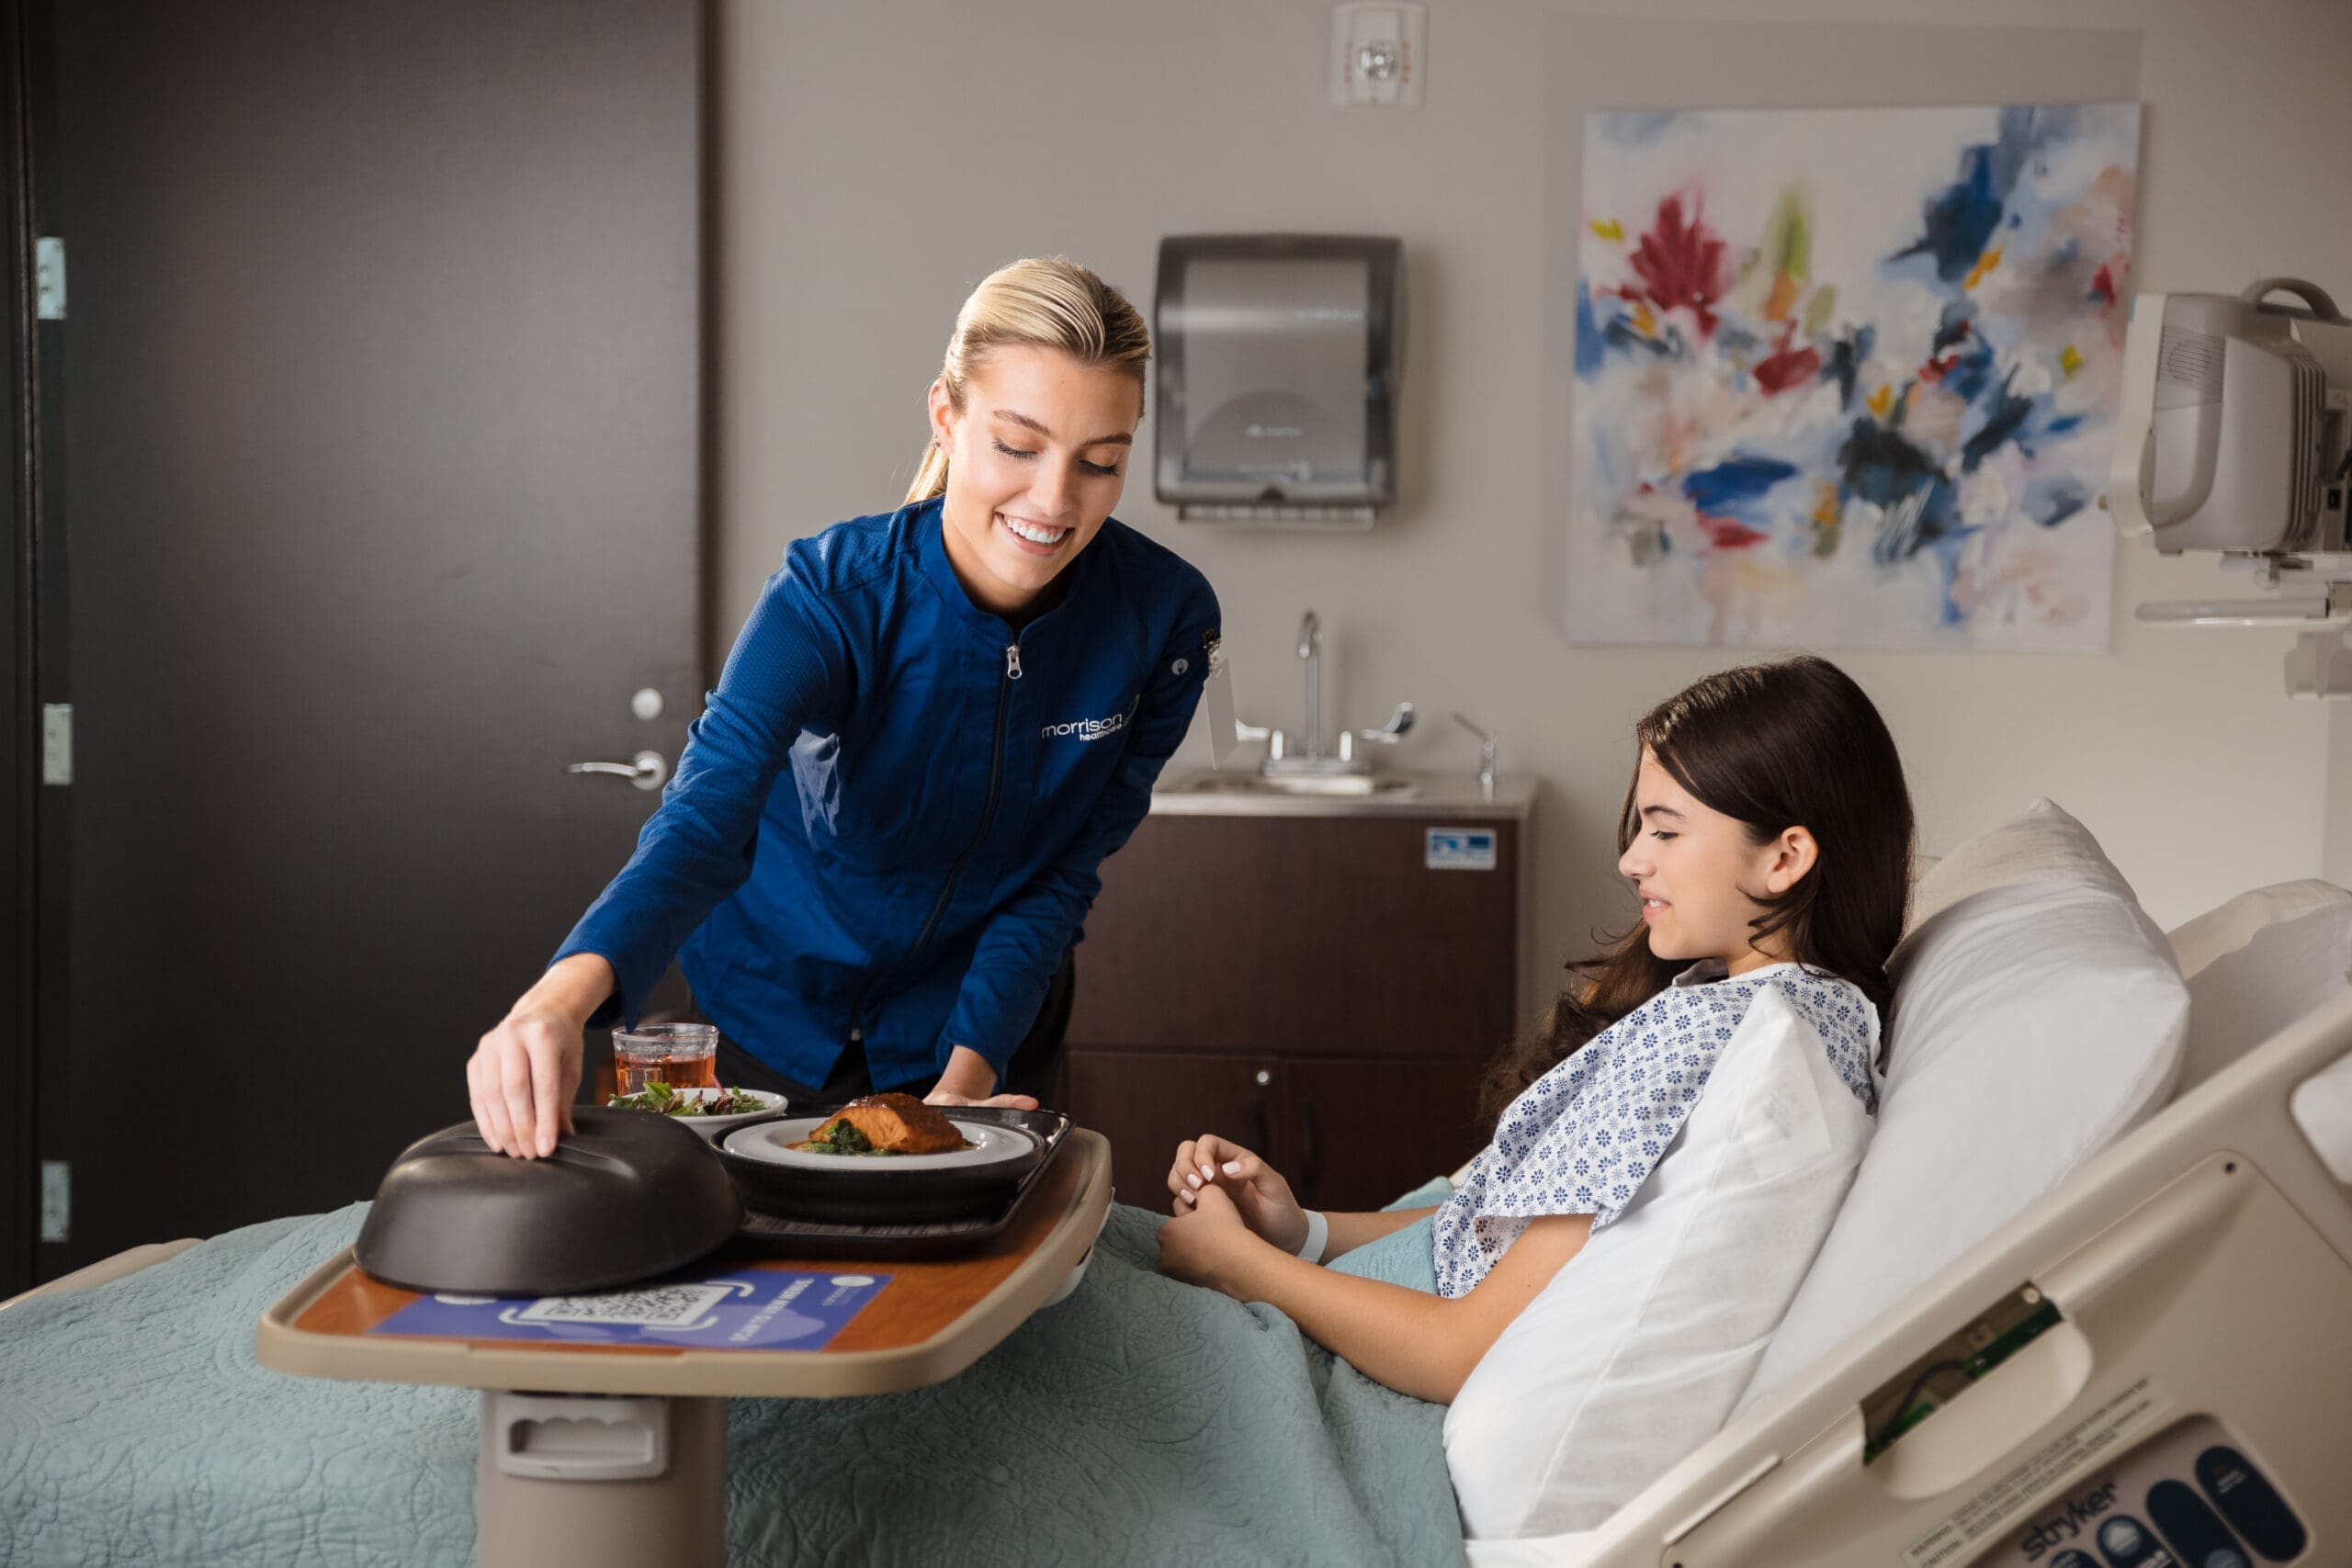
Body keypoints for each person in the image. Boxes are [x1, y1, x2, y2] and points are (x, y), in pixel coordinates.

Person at [468, 256, 1222, 1157]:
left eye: (1100, 462)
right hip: (775, 1008)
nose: (1055, 501)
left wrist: (964, 1091)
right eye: (1017, 447)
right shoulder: (829, 599)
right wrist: (553, 1002)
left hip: (984, 1022)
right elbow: (706, 816)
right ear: (947, 416)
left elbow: (1059, 873)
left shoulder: (1162, 621)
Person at [1156, 654, 1916, 1403]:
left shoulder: (1705, 1037)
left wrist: (1238, 1265)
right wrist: (1306, 1234)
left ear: (1785, 857)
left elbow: (1459, 1349)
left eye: (1665, 831)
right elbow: (1510, 1228)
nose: (1630, 859)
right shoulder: (1820, 1012)